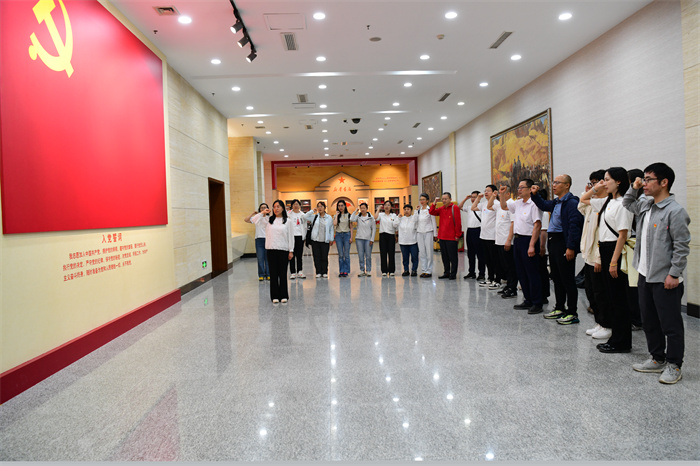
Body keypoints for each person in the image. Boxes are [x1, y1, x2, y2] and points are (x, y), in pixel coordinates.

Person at [623, 163, 691, 384]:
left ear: (664, 182)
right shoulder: (646, 204)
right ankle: (657, 358)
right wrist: (633, 187)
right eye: (643, 179)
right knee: (649, 320)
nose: (643, 183)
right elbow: (627, 203)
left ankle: (674, 364)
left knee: (670, 324)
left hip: (665, 278)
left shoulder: (675, 211)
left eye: (648, 179)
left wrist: (674, 274)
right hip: (645, 273)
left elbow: (681, 246)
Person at [580, 167, 633, 353]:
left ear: (618, 181)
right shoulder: (607, 201)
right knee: (610, 297)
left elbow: (622, 235)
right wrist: (596, 188)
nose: (604, 183)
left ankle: (622, 341)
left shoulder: (624, 204)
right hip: (604, 249)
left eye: (607, 179)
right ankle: (615, 338)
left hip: (614, 251)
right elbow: (583, 199)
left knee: (618, 299)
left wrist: (613, 261)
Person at [531, 174, 584, 325]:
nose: (554, 185)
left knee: (567, 279)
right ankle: (560, 307)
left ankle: (572, 312)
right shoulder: (556, 202)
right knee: (556, 277)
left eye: (557, 183)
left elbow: (574, 227)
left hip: (563, 242)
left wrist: (571, 247)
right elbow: (543, 205)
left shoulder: (572, 203)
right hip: (553, 241)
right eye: (553, 182)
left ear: (567, 185)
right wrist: (535, 194)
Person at [500, 180, 544, 314]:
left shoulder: (534, 204)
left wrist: (531, 245)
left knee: (532, 272)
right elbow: (504, 206)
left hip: (529, 240)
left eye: (522, 187)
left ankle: (537, 302)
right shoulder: (518, 203)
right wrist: (502, 194)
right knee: (521, 272)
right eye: (518, 187)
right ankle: (527, 299)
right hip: (518, 240)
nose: (519, 190)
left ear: (530, 189)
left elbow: (537, 225)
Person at [578, 170, 611, 339]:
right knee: (591, 291)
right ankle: (599, 322)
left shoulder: (606, 204)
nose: (593, 187)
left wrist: (599, 257)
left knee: (601, 293)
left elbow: (604, 235)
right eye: (591, 183)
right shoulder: (594, 203)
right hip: (588, 255)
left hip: (598, 256)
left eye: (597, 183)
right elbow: (581, 204)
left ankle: (607, 324)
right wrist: (590, 191)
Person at [263, 200, 295, 303]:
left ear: (282, 208)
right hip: (271, 250)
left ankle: (284, 295)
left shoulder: (288, 221)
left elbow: (291, 236)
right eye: (274, 207)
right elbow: (253, 220)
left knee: (282, 273)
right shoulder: (268, 220)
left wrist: (291, 250)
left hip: (283, 250)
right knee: (273, 274)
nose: (276, 209)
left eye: (278, 206)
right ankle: (275, 296)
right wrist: (262, 213)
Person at [626, 168, 645, 331]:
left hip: (636, 247)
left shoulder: (643, 202)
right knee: (632, 286)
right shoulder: (631, 200)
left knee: (635, 286)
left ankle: (637, 319)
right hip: (631, 247)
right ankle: (635, 317)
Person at [429, 192, 463, 280]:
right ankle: (446, 272)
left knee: (453, 257)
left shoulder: (454, 208)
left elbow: (458, 222)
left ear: (450, 199)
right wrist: (434, 203)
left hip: (451, 237)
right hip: (442, 237)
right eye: (443, 199)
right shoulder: (441, 208)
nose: (444, 200)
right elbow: (432, 212)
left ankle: (453, 273)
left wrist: (458, 235)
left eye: (446, 199)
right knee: (444, 257)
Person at [473, 185, 499, 288]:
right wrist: (478, 198)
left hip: (492, 236)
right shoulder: (483, 204)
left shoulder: (497, 204)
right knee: (487, 259)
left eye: (488, 191)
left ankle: (497, 279)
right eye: (485, 191)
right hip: (483, 235)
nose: (486, 192)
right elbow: (473, 208)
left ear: (494, 192)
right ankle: (490, 278)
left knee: (494, 259)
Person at [494, 184, 518, 299]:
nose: (500, 195)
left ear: (508, 193)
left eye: (502, 193)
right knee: (504, 266)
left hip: (507, 241)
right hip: (499, 240)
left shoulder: (512, 204)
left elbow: (513, 223)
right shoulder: (502, 205)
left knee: (510, 266)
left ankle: (512, 288)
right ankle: (508, 285)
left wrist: (509, 240)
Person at [303, 201, 335, 278]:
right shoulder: (314, 217)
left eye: (321, 206)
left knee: (324, 256)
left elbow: (331, 229)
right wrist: (312, 211)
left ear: (324, 208)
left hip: (325, 240)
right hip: (315, 240)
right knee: (316, 256)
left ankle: (324, 272)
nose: (320, 208)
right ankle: (318, 272)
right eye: (318, 206)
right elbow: (304, 217)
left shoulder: (329, 217)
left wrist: (331, 239)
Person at [460, 191, 486, 280]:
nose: (473, 199)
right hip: (470, 231)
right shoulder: (469, 207)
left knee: (480, 253)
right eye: (472, 197)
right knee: (470, 253)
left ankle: (481, 273)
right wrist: (465, 198)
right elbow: (459, 207)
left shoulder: (481, 207)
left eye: (475, 197)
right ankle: (471, 272)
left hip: (478, 230)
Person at [244, 203, 270, 281]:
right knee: (260, 258)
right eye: (262, 208)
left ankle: (268, 274)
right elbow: (246, 220)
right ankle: (261, 275)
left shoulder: (269, 218)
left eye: (265, 207)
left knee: (268, 258)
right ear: (259, 209)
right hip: (259, 239)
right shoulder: (257, 217)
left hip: (268, 239)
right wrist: (253, 213)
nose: (263, 209)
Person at [350, 202, 376, 276]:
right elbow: (351, 219)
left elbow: (374, 229)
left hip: (368, 239)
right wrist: (355, 211)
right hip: (359, 239)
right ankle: (362, 270)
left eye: (364, 208)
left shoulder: (371, 217)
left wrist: (372, 239)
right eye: (361, 208)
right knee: (360, 255)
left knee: (368, 256)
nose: (362, 209)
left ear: (367, 208)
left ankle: (368, 270)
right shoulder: (358, 216)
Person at [416, 193, 438, 278]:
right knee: (422, 252)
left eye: (423, 199)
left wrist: (435, 234)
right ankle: (424, 270)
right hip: (419, 232)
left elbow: (433, 222)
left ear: (427, 200)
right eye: (420, 199)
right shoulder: (418, 210)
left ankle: (429, 270)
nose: (422, 201)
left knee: (429, 252)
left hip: (428, 232)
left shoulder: (430, 210)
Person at [376, 200, 400, 276]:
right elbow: (375, 218)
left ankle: (391, 270)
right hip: (383, 235)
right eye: (385, 205)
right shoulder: (381, 214)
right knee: (383, 253)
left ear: (391, 207)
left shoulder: (394, 215)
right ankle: (384, 271)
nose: (387, 206)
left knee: (391, 253)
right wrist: (378, 209)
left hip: (391, 235)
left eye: (388, 205)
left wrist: (396, 235)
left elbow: (396, 226)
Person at [287, 199, 306, 279]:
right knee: (291, 254)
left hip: (300, 236)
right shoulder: (288, 214)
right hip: (291, 236)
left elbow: (305, 225)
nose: (296, 205)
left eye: (297, 204)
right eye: (294, 204)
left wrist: (304, 236)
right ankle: (293, 272)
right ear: (292, 206)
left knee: (299, 255)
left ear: (299, 205)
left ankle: (300, 271)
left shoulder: (302, 214)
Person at [398, 204, 419, 276]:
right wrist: (398, 218)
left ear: (411, 210)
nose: (406, 211)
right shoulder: (401, 218)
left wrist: (416, 211)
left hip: (413, 241)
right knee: (405, 258)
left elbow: (416, 219)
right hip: (403, 242)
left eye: (408, 209)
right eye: (405, 209)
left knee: (414, 257)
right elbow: (395, 225)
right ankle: (406, 270)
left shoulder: (414, 218)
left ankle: (414, 270)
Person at [333, 200, 352, 277]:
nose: (340, 207)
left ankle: (346, 271)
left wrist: (351, 237)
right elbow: (334, 223)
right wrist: (337, 215)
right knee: (340, 254)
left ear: (345, 206)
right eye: (339, 206)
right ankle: (341, 270)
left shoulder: (349, 215)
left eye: (342, 205)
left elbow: (351, 227)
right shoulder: (336, 215)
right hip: (338, 235)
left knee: (346, 254)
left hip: (347, 235)